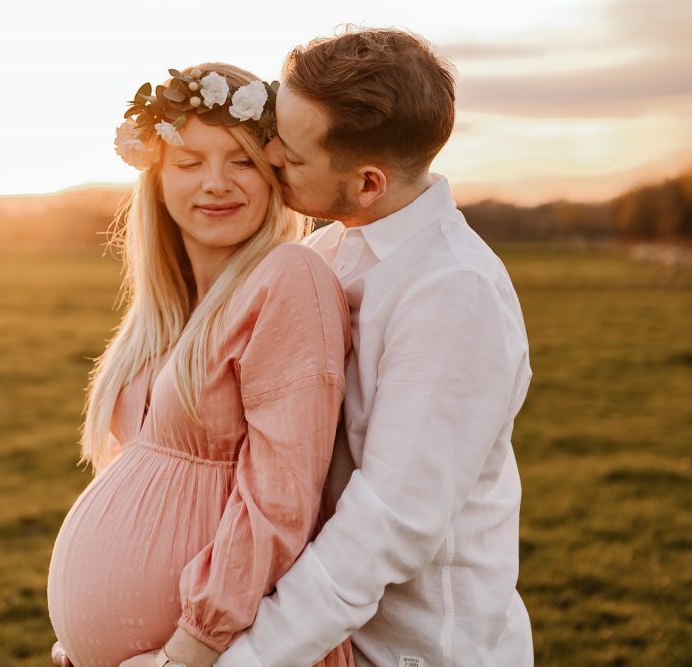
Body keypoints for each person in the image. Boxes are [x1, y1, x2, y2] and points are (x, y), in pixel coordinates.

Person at [202, 28, 535, 667]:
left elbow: (386, 525)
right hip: (325, 641)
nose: (268, 153)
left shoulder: (454, 293)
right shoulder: (325, 249)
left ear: (368, 184)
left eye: (292, 153)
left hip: (412, 650)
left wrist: (242, 659)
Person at [46, 63, 355, 667]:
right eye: (190, 163)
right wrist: (82, 634)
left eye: (242, 161)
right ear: (158, 182)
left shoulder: (288, 278)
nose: (216, 183)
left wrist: (185, 652)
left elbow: (281, 501)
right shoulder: (166, 312)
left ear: (274, 174)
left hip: (216, 654)